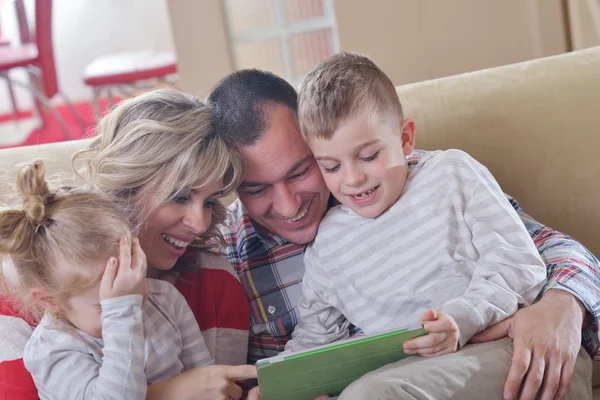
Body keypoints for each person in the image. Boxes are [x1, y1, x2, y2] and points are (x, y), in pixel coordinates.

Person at [208, 66, 599, 400]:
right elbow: (313, 338)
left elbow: (534, 252)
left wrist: (561, 305)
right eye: (257, 189)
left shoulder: (430, 176)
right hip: (406, 378)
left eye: (300, 171)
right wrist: (276, 385)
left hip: (509, 353)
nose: (290, 205)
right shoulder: (239, 252)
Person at [0, 89, 258, 400]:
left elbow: (216, 387)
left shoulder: (213, 283)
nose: (201, 223)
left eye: (210, 201)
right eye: (179, 196)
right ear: (127, 185)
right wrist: (167, 394)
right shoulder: (25, 286)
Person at [1, 160, 215, 399]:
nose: (136, 304)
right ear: (50, 300)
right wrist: (121, 314)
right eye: (106, 305)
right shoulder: (53, 349)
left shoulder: (164, 298)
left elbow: (207, 380)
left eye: (135, 281)